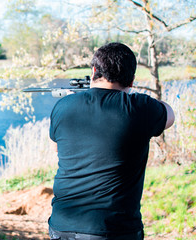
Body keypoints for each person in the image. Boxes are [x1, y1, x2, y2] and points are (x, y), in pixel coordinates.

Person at [48, 42, 175, 240]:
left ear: (94, 71)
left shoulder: (63, 106)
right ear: (132, 80)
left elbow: (58, 149)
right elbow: (170, 115)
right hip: (113, 229)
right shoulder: (140, 108)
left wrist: (78, 99)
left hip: (62, 225)